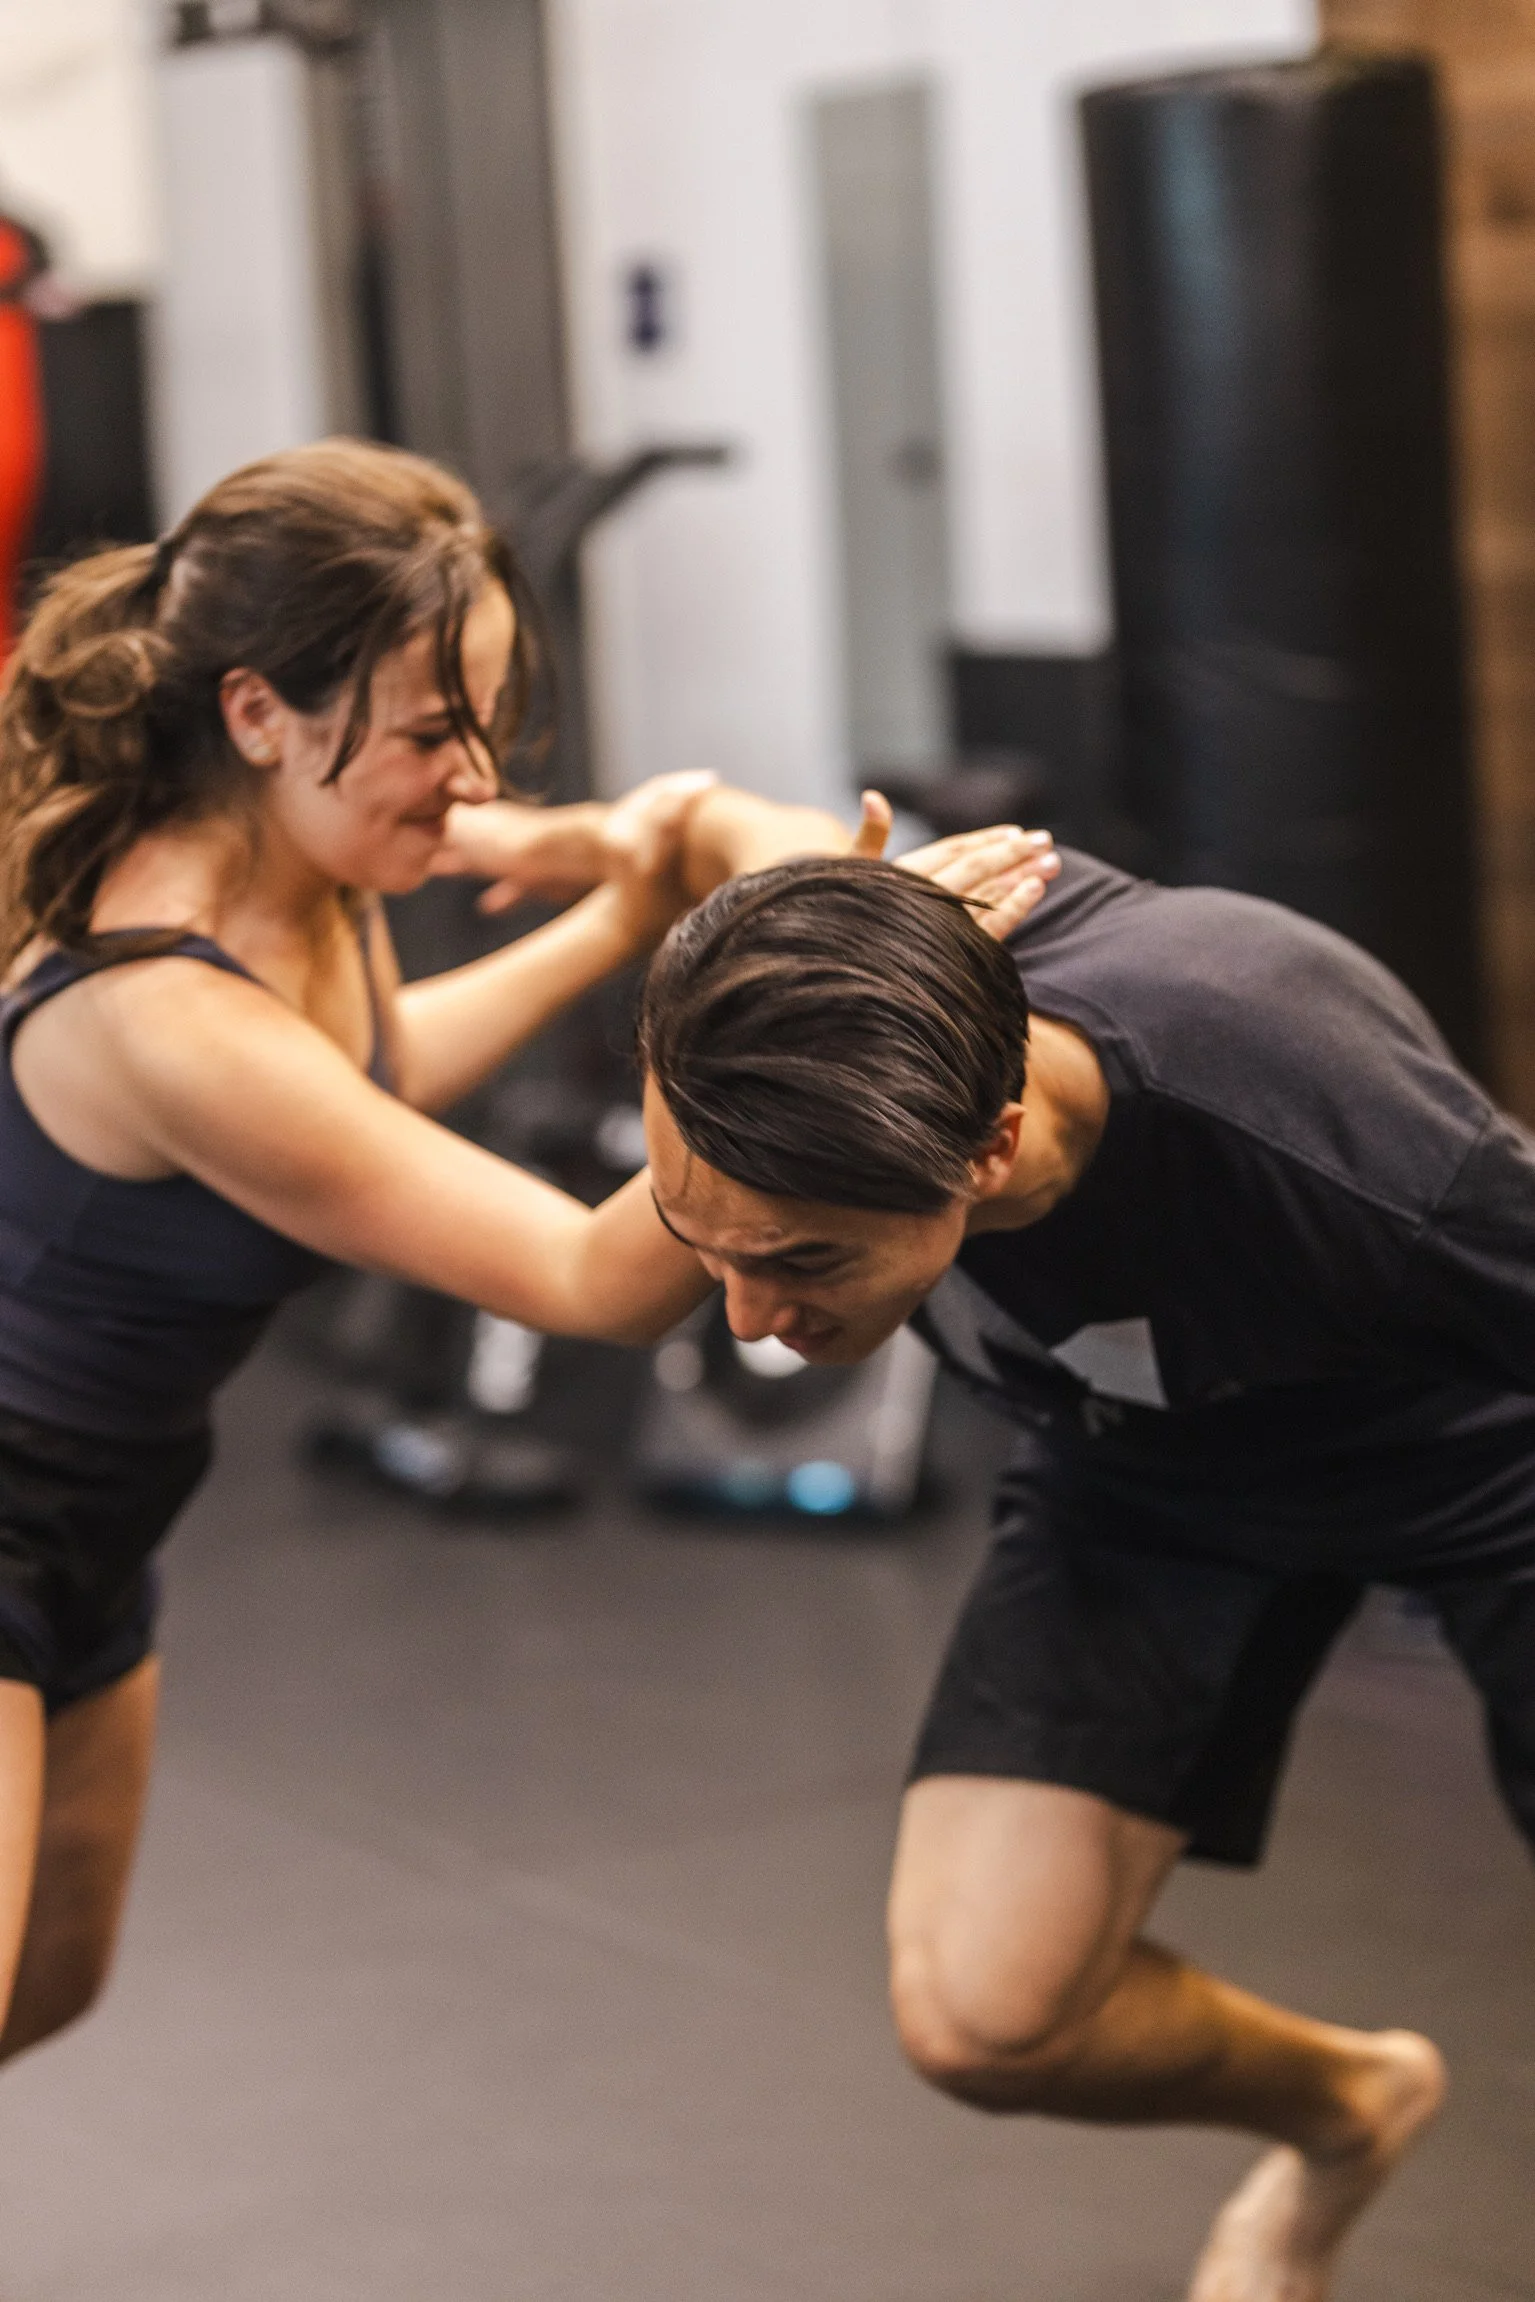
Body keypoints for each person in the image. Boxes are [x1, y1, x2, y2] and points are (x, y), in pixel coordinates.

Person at [0, 436, 1050, 2076]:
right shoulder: (166, 1014)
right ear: (258, 711)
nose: (477, 780)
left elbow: (372, 1072)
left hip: (97, 1511)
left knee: (45, 1986)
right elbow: (587, 1275)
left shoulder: (297, 860)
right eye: (431, 731)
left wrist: (620, 912)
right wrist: (820, 994)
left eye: (484, 722)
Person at [625, 840, 1535, 2302]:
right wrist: (611, 843)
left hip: (1472, 1456)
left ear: (984, 1150)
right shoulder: (805, 1000)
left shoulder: (1306, 1109)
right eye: (703, 1245)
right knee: (985, 2015)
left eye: (801, 1260)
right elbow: (716, 825)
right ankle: (1350, 2105)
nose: (745, 1321)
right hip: (1141, 1474)